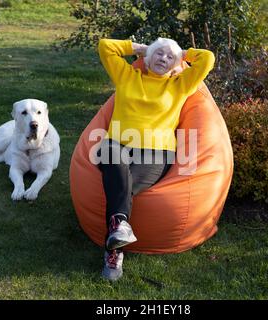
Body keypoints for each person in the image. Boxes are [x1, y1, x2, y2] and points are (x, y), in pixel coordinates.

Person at [96, 37, 215, 281]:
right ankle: (118, 236)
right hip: (117, 144)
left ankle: (115, 245)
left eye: (169, 57)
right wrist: (141, 48)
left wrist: (181, 53)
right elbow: (105, 46)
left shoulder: (180, 85)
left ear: (176, 65)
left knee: (121, 186)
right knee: (113, 161)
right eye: (158, 54)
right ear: (147, 59)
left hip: (156, 152)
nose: (163, 59)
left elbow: (207, 58)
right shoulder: (126, 76)